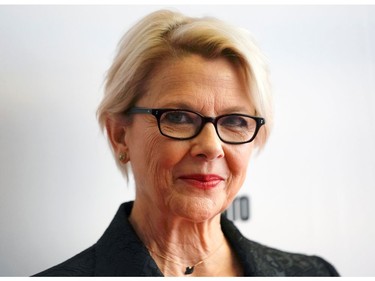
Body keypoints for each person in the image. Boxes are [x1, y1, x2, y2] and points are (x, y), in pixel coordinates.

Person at [34, 9, 339, 277]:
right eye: (179, 117)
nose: (211, 146)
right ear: (120, 135)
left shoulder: (315, 274)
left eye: (235, 121)